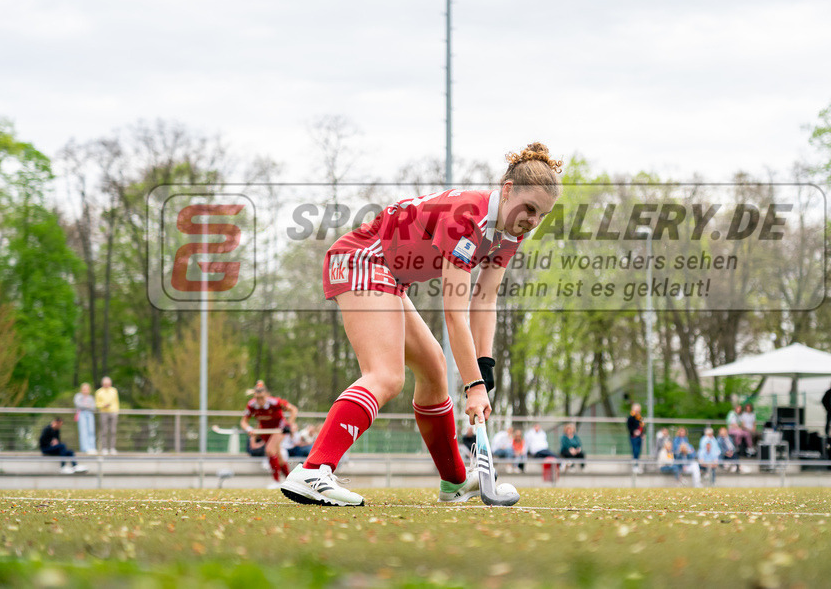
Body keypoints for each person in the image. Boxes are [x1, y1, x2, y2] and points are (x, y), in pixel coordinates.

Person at [280, 143, 563, 506]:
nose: (534, 220)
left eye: (543, 215)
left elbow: (485, 299)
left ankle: (455, 482)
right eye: (530, 208)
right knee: (386, 374)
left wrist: (484, 364)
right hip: (362, 261)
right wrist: (473, 385)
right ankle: (313, 469)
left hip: (391, 277)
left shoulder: (511, 232)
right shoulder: (469, 218)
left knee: (433, 371)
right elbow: (454, 312)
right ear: (507, 190)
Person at [240, 380, 299, 488]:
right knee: (279, 456)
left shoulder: (276, 402)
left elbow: (294, 410)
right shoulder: (251, 405)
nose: (260, 401)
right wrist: (249, 429)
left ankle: (276, 481)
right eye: (257, 398)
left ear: (267, 395)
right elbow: (243, 422)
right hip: (265, 431)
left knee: (269, 450)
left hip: (279, 428)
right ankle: (290, 481)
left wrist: (289, 424)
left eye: (262, 397)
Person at [94, 376, 119, 455]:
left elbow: (116, 401)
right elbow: (97, 403)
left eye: (108, 384)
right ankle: (104, 448)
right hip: (103, 412)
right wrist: (103, 405)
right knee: (104, 430)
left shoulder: (114, 391)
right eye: (105, 384)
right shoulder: (99, 392)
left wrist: (116, 411)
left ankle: (112, 448)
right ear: (102, 384)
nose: (107, 385)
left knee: (113, 431)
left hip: (113, 412)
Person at [73, 383, 97, 454]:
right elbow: (78, 404)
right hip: (82, 414)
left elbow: (93, 406)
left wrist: (86, 406)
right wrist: (87, 406)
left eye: (87, 389)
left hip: (90, 414)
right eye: (84, 389)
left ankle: (92, 447)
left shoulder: (91, 397)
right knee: (83, 431)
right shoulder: (78, 396)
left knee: (91, 430)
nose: (85, 391)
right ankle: (85, 448)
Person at [627, 403, 644, 472]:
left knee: (639, 451)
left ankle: (637, 465)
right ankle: (635, 466)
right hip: (633, 437)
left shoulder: (640, 417)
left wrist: (643, 433)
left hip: (639, 437)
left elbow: (642, 426)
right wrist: (634, 431)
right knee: (635, 450)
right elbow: (629, 427)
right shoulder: (631, 417)